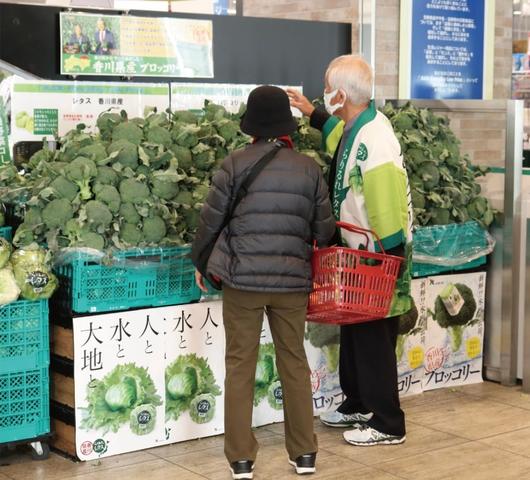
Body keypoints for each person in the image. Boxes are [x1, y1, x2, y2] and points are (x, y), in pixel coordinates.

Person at [192, 85, 336, 479]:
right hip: (292, 283)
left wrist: (202, 263)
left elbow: (210, 222)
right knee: (293, 361)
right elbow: (325, 233)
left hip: (243, 282)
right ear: (287, 125)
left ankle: (241, 460)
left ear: (251, 126)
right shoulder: (309, 169)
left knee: (240, 364)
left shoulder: (233, 165)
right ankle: (304, 453)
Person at [288, 55, 413, 447]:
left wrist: (392, 260)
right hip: (359, 254)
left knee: (374, 337)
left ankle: (388, 422)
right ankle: (358, 402)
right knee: (356, 329)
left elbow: (387, 203)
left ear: (340, 94)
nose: (324, 93)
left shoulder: (375, 140)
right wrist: (312, 113)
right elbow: (339, 143)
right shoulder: (357, 127)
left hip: (380, 255)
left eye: (327, 87)